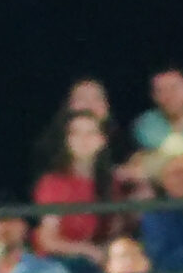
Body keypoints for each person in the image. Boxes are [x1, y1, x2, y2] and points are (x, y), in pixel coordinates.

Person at [32, 107, 120, 263]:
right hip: (60, 263)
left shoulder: (111, 182)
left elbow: (114, 231)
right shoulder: (53, 183)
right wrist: (86, 250)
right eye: (75, 133)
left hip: (99, 261)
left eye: (90, 133)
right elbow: (48, 240)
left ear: (102, 140)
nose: (83, 139)